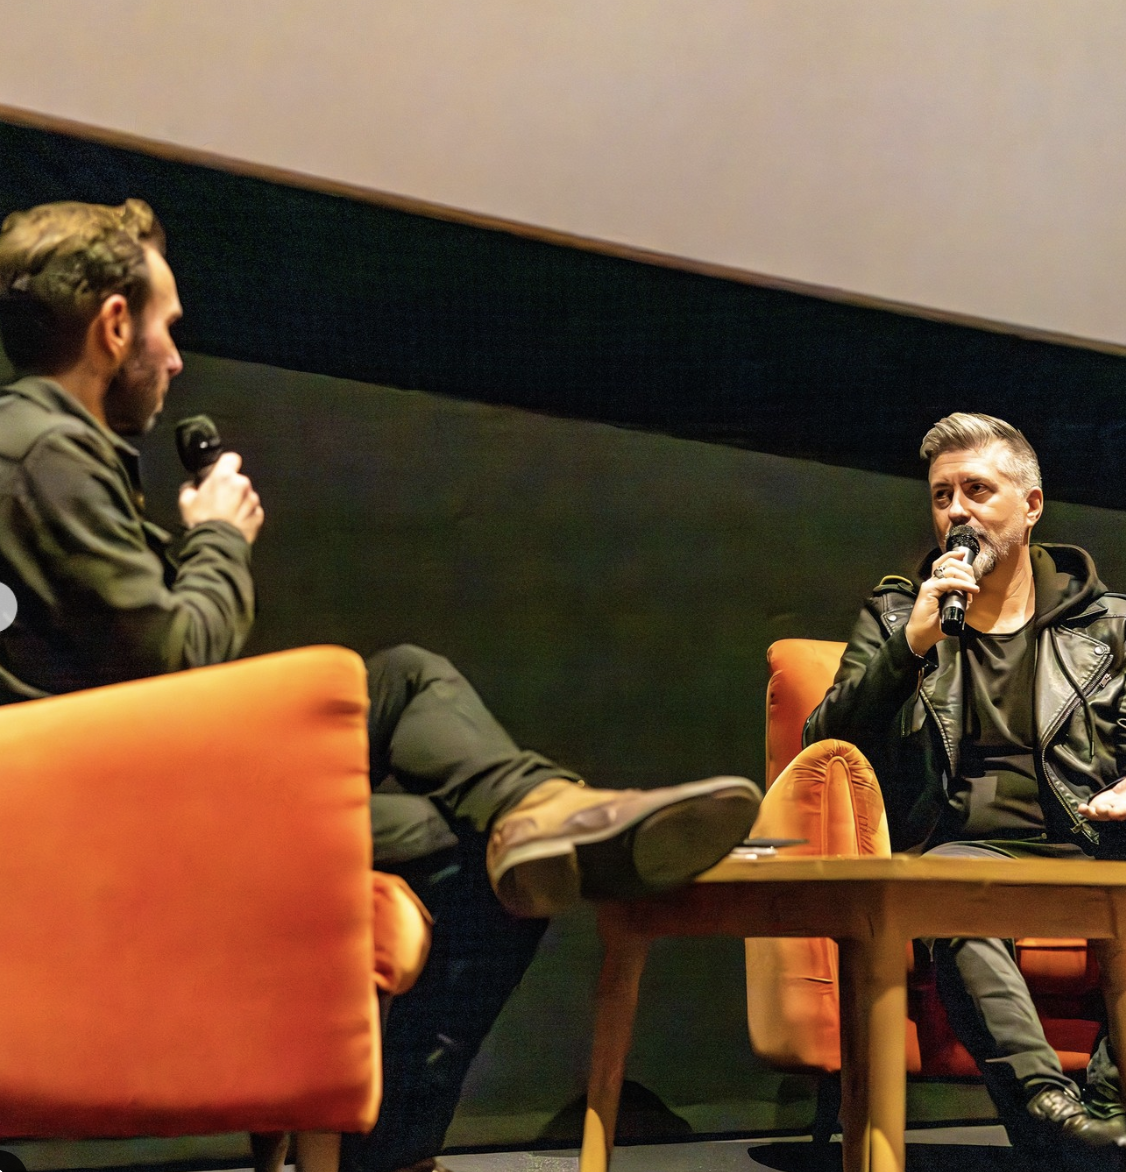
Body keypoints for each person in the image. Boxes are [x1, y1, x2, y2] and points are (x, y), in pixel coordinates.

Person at [0, 200, 761, 1172]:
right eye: (168, 326)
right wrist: (220, 539)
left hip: (118, 800)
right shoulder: (47, 456)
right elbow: (177, 671)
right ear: (114, 325)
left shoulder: (42, 450)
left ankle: (540, 807)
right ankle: (398, 1125)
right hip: (116, 831)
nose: (176, 358)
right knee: (459, 820)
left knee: (415, 713)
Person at [806, 411, 1126, 1165]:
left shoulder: (1110, 628)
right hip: (963, 850)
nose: (957, 511)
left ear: (1032, 505)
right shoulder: (896, 616)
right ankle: (1053, 1115)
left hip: (1095, 844)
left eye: (977, 490)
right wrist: (909, 645)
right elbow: (822, 748)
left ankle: (1111, 1109)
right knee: (953, 894)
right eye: (942, 495)